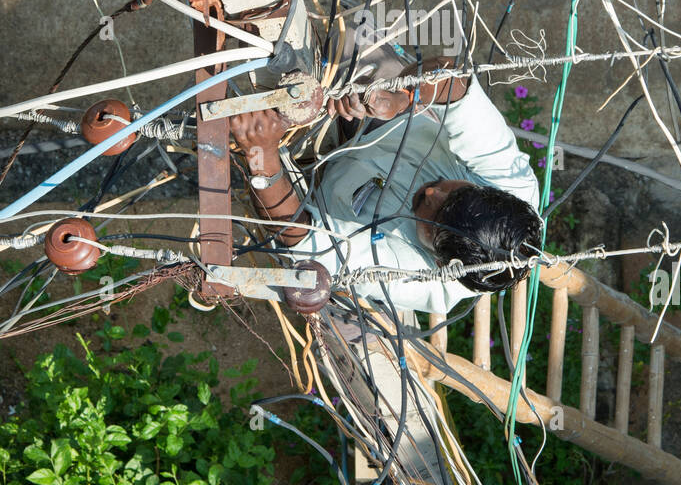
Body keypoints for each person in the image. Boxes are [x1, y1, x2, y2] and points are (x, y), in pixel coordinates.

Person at [229, 54, 543, 321]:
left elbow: (299, 239)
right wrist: (401, 97)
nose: (433, 193)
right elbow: (454, 82)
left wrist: (261, 154)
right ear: (490, 191)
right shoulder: (511, 185)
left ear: (436, 259)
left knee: (250, 134)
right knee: (345, 56)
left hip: (313, 192)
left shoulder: (423, 279)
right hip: (387, 122)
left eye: (433, 212)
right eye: (458, 191)